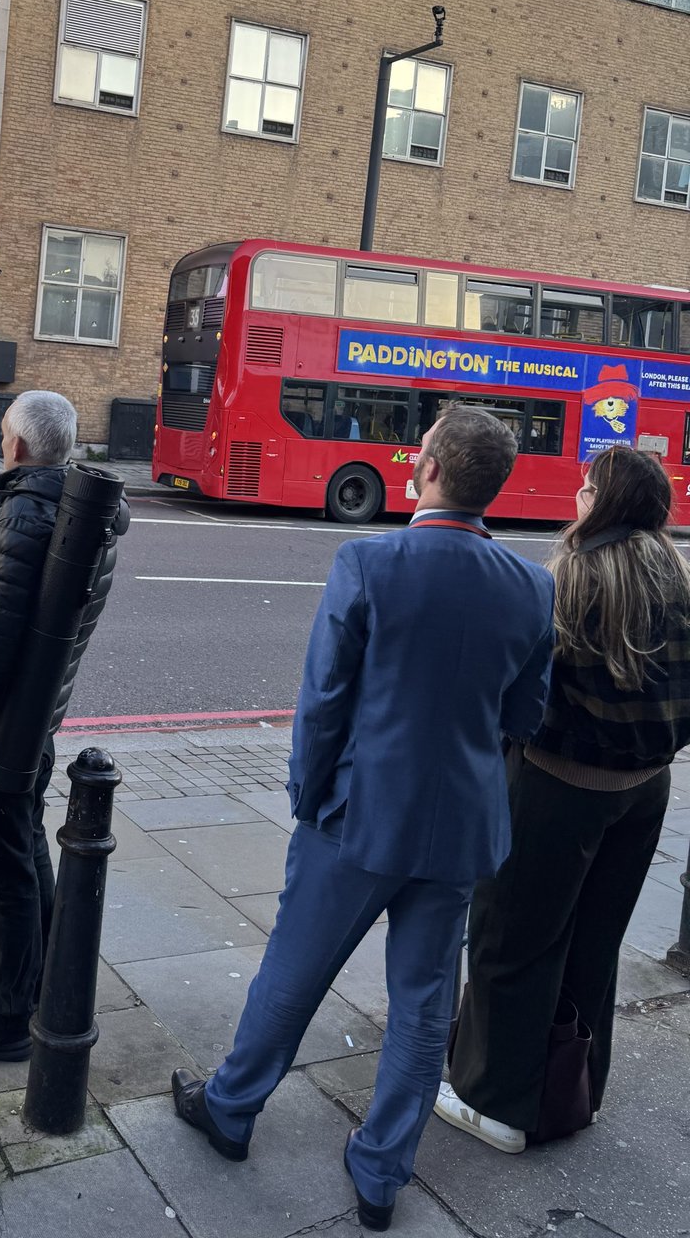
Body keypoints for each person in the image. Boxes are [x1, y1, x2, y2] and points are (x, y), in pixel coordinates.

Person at [170, 407, 554, 1232]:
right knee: (421, 1006)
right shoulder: (531, 584)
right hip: (458, 830)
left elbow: (325, 700)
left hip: (360, 816)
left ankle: (231, 1110)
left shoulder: (370, 562)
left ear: (431, 471)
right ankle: (381, 1175)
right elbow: (527, 715)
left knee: (295, 970)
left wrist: (310, 796)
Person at [437, 445, 690, 1153]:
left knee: (510, 939)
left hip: (559, 785)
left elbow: (520, 698)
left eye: (585, 490)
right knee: (594, 944)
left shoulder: (568, 578)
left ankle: (500, 1105)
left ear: (603, 503)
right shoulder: (678, 574)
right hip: (646, 791)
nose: (577, 499)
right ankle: (579, 1088)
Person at [0, 390, 130, 1063]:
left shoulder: (28, 515)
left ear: (16, 446)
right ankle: (31, 975)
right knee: (25, 850)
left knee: (3, 868)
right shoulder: (74, 512)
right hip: (31, 721)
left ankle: (7, 1014)